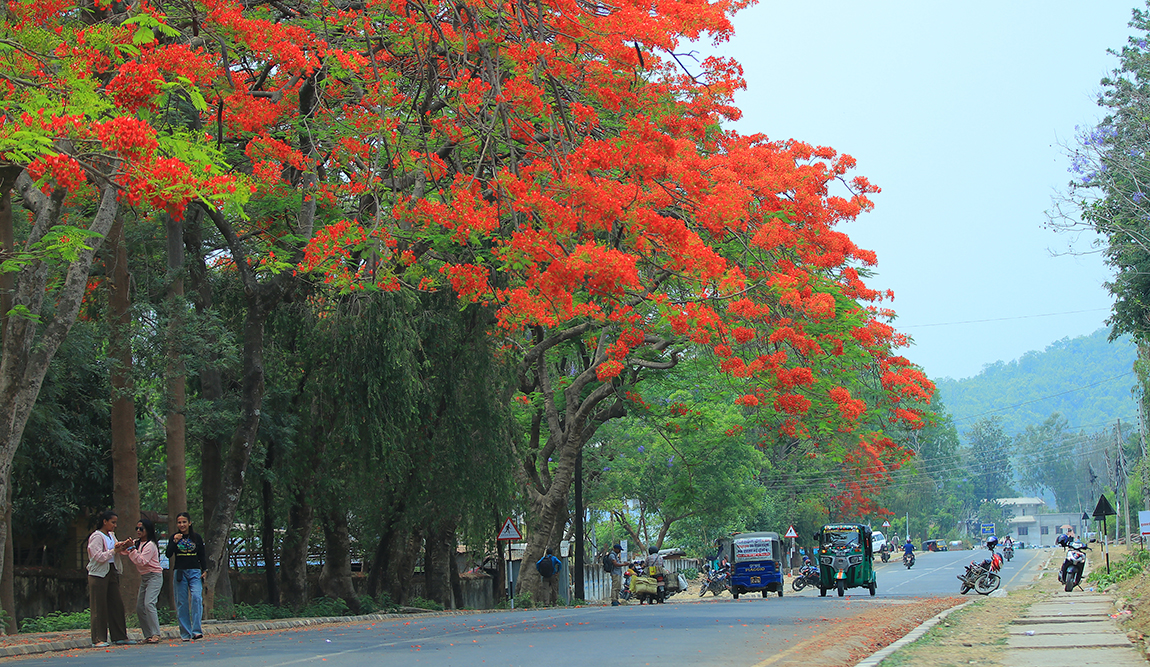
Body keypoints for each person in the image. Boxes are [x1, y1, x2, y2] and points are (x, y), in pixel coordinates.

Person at [87, 509, 133, 647]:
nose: (114, 525)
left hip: (111, 571)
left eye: (115, 523)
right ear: (104, 522)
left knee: (116, 604)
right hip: (98, 574)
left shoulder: (111, 535)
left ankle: (119, 635)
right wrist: (114, 551)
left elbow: (118, 551)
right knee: (99, 606)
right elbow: (98, 556)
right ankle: (98, 638)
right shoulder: (96, 536)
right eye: (112, 522)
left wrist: (125, 546)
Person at [166, 512, 206, 641]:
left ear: (189, 523)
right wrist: (174, 541)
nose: (182, 525)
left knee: (196, 597)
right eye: (179, 522)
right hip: (180, 572)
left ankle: (196, 630)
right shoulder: (174, 537)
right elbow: (168, 554)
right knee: (182, 602)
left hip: (195, 571)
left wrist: (205, 569)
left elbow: (202, 554)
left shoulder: (197, 538)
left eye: (184, 522)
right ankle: (185, 633)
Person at [128, 518, 163, 644]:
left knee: (149, 604)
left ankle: (156, 633)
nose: (138, 531)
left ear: (147, 530)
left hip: (154, 576)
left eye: (141, 529)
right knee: (139, 607)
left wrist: (131, 550)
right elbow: (125, 551)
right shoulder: (137, 543)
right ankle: (148, 635)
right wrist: (122, 546)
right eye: (136, 528)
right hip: (144, 577)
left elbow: (141, 561)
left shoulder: (150, 545)